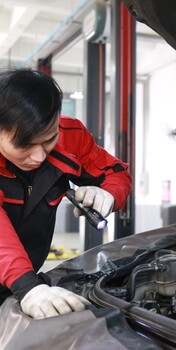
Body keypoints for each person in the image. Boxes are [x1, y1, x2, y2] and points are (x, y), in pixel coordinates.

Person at [0, 68, 132, 319]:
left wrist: (109, 194)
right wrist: (28, 287)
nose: (39, 157)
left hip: (22, 282)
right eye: (25, 145)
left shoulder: (71, 137)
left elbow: (115, 173)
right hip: (21, 279)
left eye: (49, 139)